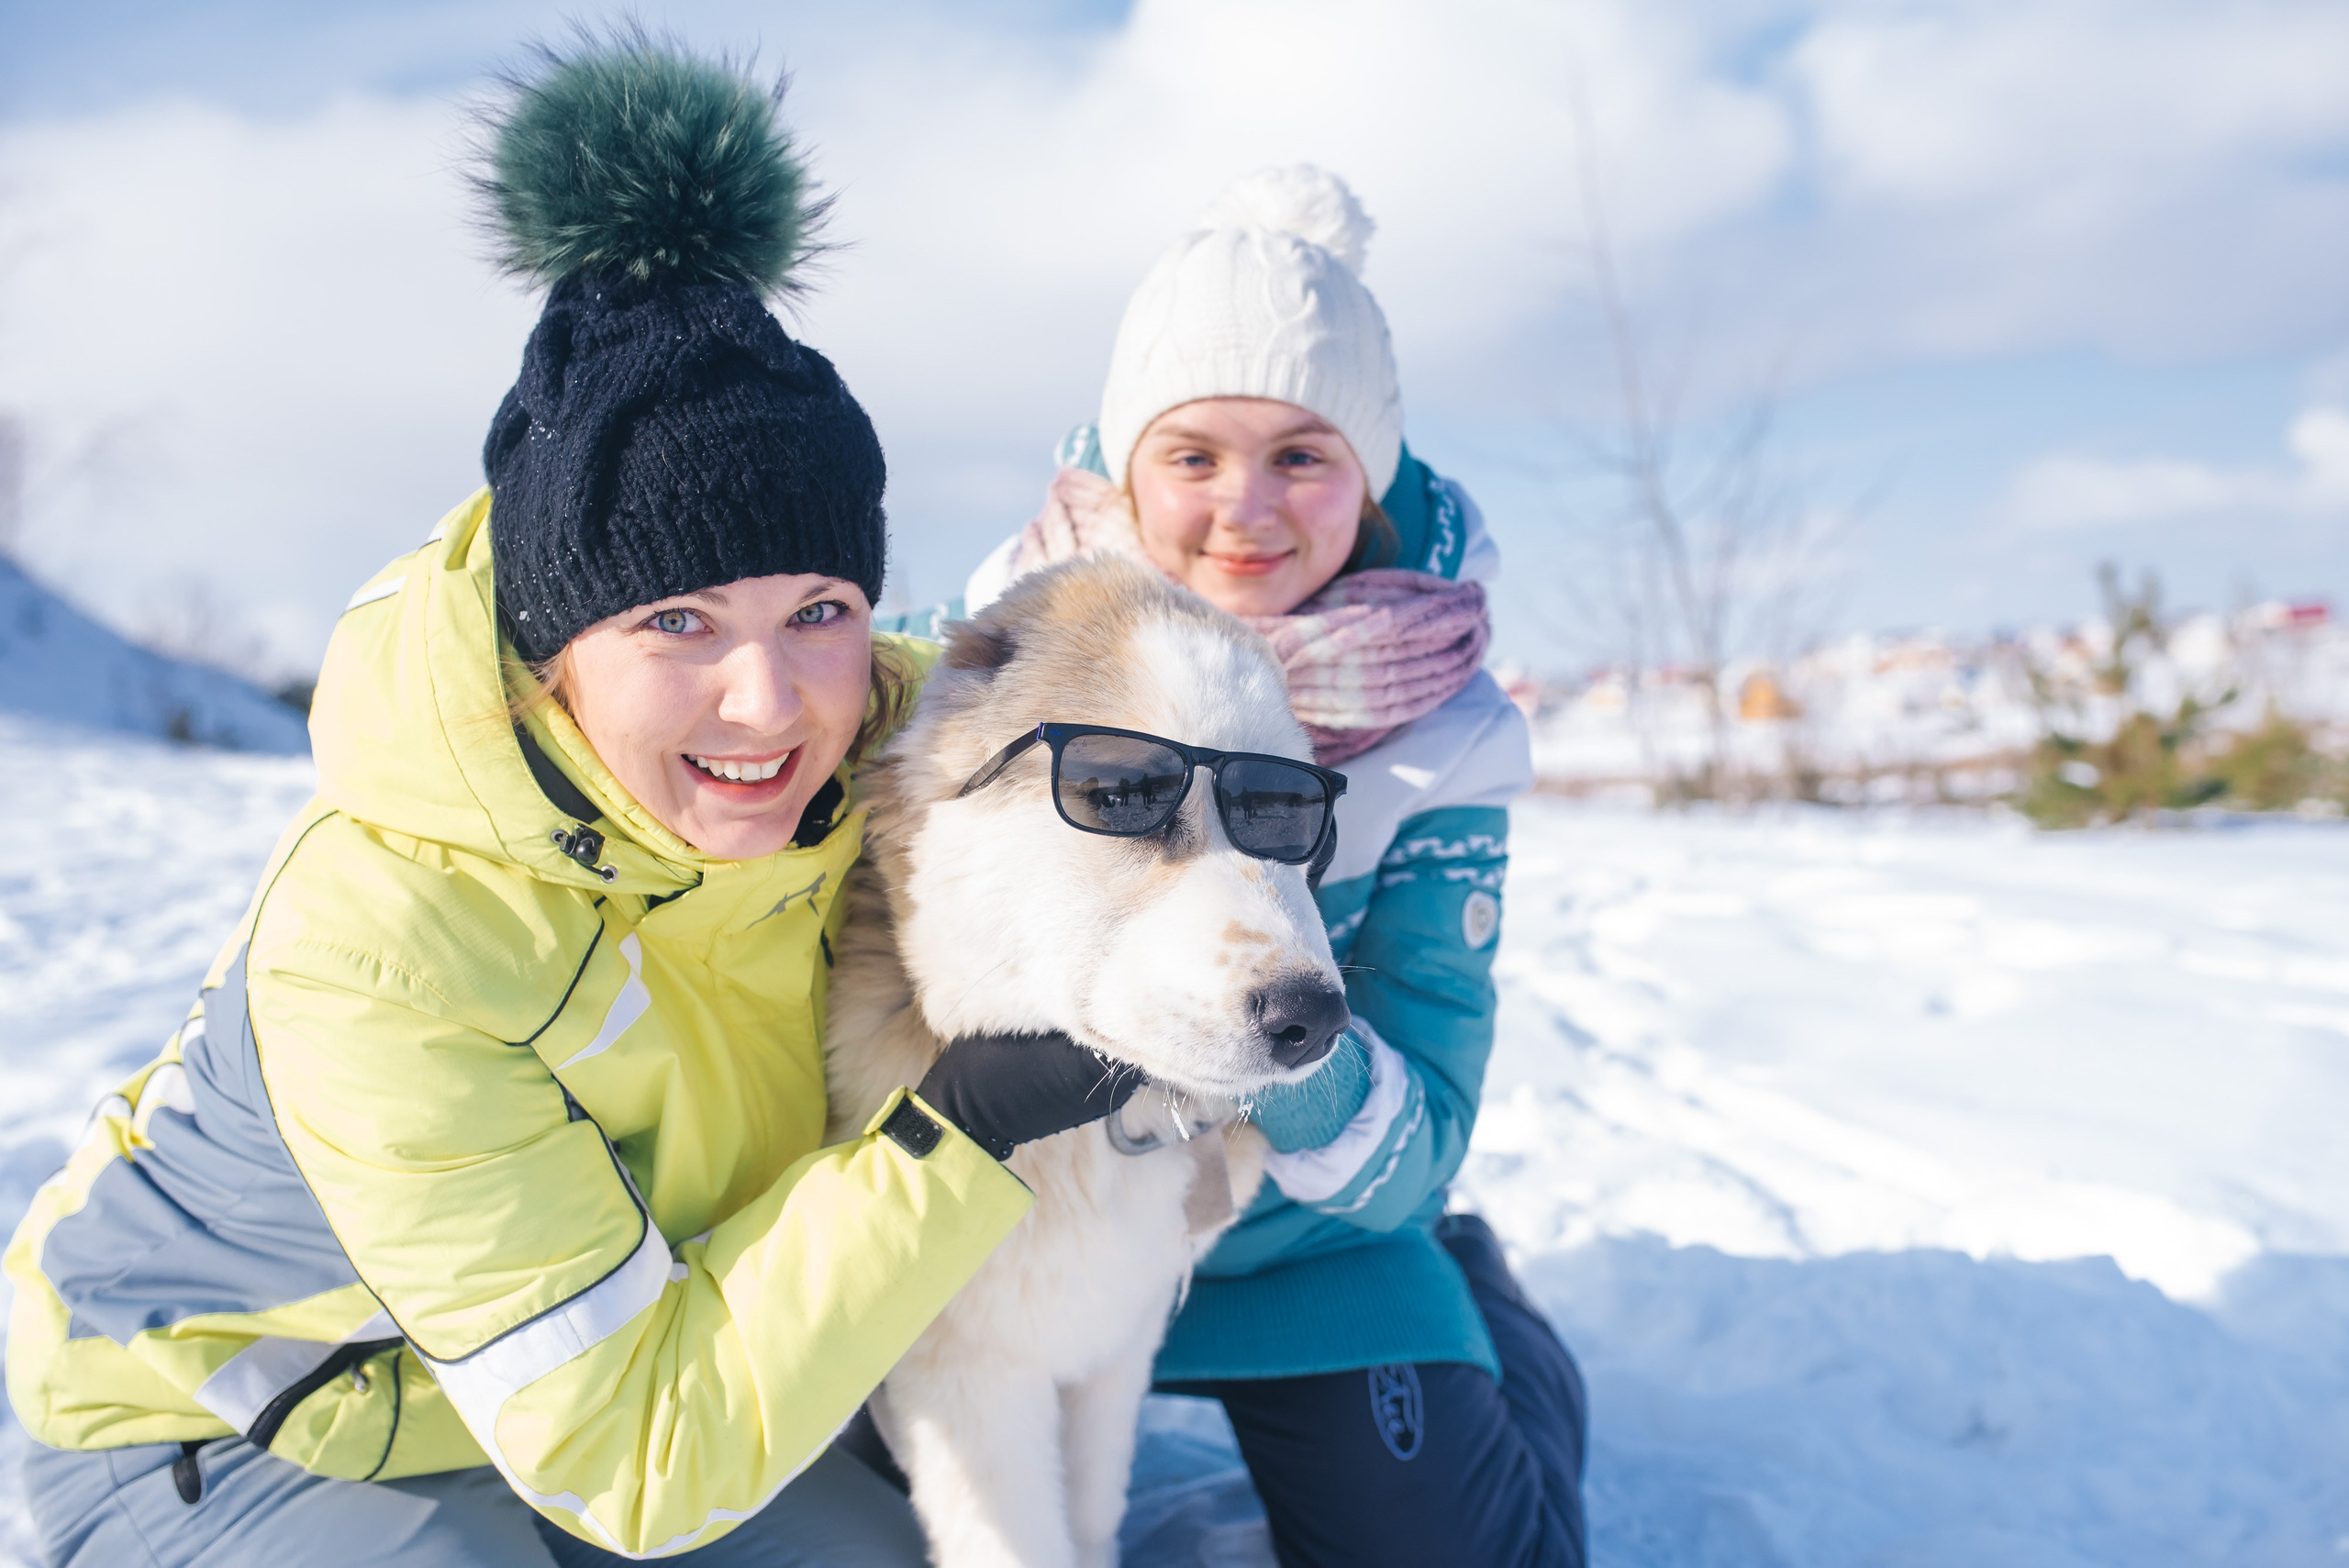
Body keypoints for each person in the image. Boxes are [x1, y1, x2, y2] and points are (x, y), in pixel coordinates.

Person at [1, 38, 1140, 1567]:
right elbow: (640, 1461)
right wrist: (955, 1136)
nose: (771, 700)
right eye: (677, 622)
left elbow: (1125, 731)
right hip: (255, 1416)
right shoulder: (390, 941)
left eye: (819, 607)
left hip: (627, 1337)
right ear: (555, 648)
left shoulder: (904, 752)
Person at [958, 167, 1591, 1568]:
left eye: (1301, 454)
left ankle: (1501, 1326)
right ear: (1125, 470)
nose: (1244, 508)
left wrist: (1257, 1018)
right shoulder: (998, 656)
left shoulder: (1445, 735)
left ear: (1367, 477)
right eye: (1192, 454)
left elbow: (1415, 1133)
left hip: (1305, 1253)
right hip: (1022, 1247)